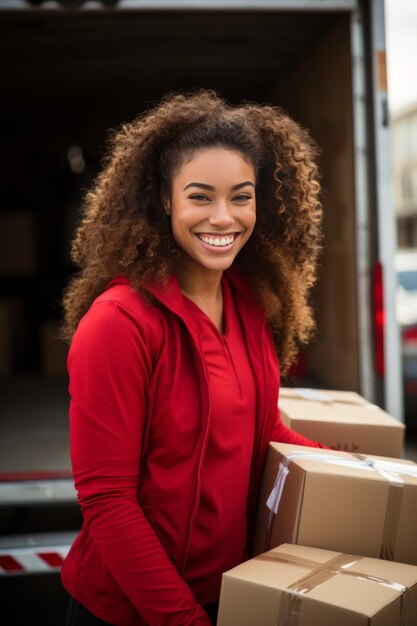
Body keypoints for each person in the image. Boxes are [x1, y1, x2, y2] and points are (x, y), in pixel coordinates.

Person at [60, 89, 328, 626]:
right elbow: (108, 502)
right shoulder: (119, 324)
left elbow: (264, 428)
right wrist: (183, 619)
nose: (223, 218)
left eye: (241, 196)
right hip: (133, 611)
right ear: (165, 199)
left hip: (228, 592)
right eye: (201, 196)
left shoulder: (251, 302)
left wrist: (368, 476)